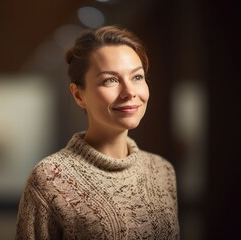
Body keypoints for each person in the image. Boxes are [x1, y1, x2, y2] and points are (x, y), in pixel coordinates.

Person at [15, 25, 180, 239]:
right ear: (79, 95)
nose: (129, 92)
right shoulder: (50, 178)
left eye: (137, 77)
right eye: (110, 80)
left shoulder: (162, 171)